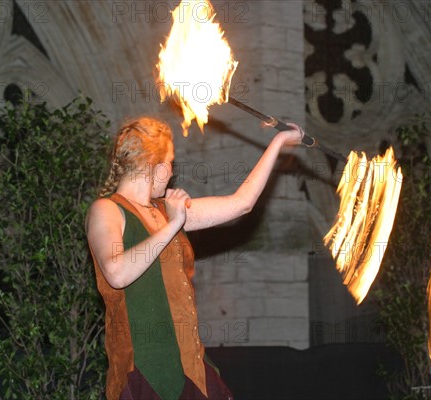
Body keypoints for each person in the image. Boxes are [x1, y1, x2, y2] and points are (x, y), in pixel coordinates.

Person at [86, 116, 304, 400]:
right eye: (171, 162)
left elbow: (242, 204)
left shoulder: (167, 210)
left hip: (191, 365)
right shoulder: (107, 209)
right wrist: (174, 225)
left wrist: (279, 142)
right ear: (156, 164)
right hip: (145, 369)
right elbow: (117, 273)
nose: (172, 172)